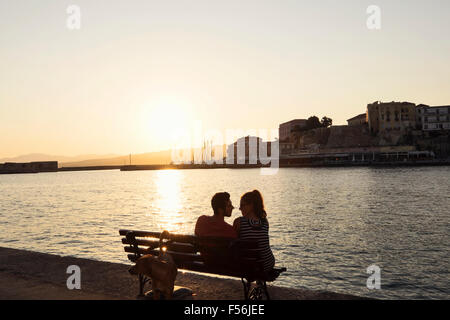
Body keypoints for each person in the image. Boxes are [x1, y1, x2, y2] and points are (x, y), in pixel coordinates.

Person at [233, 190, 275, 273]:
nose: (240, 208)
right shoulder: (264, 222)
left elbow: (234, 243)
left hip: (250, 266)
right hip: (267, 264)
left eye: (242, 205)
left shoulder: (239, 222)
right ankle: (260, 282)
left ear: (251, 205)